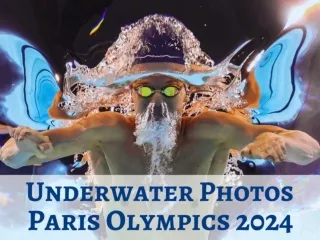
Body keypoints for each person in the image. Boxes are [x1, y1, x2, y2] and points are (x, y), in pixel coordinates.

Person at [0, 61, 319, 175]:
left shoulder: (211, 129)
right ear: (130, 95)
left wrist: (278, 142)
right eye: (144, 91)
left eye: (168, 92)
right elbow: (12, 158)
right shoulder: (107, 130)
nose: (155, 100)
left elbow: (310, 150)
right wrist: (25, 145)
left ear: (185, 96)